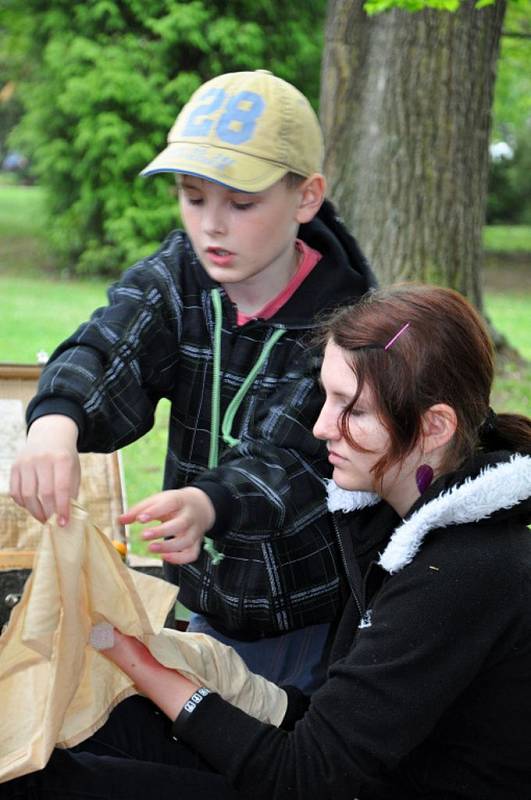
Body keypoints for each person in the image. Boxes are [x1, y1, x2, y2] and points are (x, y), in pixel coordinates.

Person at [5, 284, 531, 800]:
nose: (322, 426)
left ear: (434, 426)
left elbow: (305, 775)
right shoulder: (392, 526)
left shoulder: (464, 570)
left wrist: (141, 664)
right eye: (325, 395)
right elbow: (337, 726)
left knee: (41, 782)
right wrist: (217, 675)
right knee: (85, 732)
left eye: (352, 408)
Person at [9, 69, 375, 691]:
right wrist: (55, 421)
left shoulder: (346, 322)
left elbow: (293, 460)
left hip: (300, 619)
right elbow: (109, 340)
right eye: (192, 195)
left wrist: (211, 503)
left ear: (307, 197)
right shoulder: (179, 274)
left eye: (242, 203)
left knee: (277, 761)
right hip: (200, 598)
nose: (211, 225)